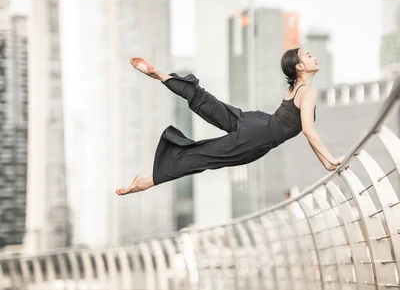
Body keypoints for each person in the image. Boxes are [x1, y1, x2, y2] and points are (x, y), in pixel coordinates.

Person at [116, 49, 346, 196]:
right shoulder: (308, 91)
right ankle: (148, 181)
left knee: (207, 102)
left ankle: (161, 75)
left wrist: (325, 163)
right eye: (308, 56)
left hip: (255, 121)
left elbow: (304, 129)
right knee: (205, 155)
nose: (314, 56)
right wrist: (329, 159)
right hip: (258, 138)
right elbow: (308, 130)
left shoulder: (295, 88)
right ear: (299, 67)